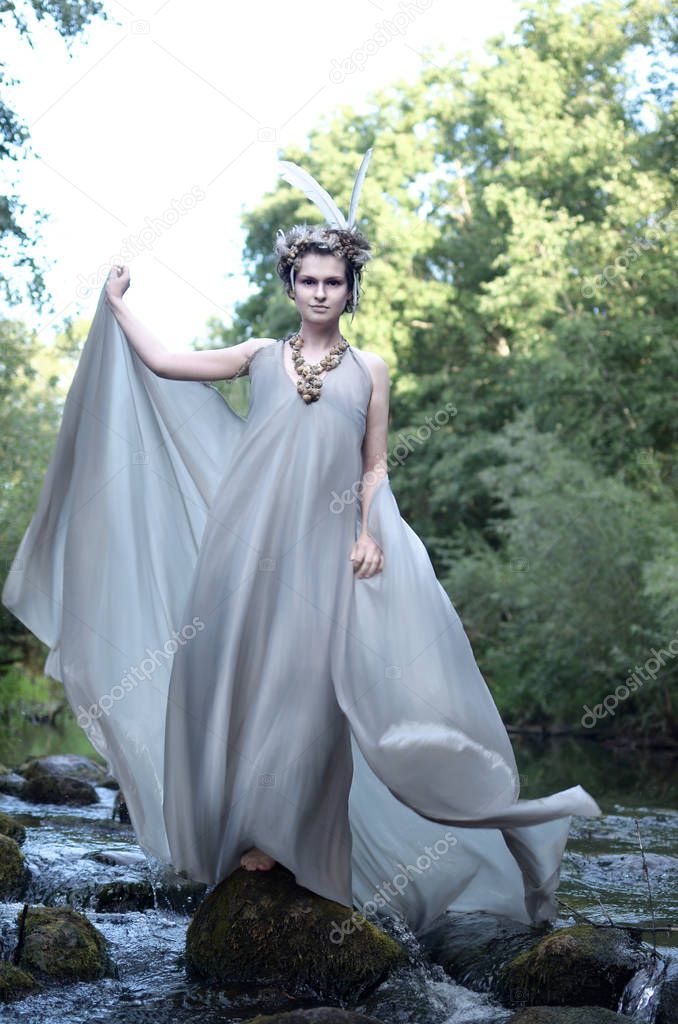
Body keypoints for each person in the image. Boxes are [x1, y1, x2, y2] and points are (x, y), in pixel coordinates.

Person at [2, 150, 602, 937]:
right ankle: (248, 838)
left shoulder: (370, 370)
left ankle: (304, 848)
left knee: (315, 700)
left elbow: (375, 463)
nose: (322, 292)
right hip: (241, 552)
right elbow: (165, 362)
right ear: (291, 286)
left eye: (334, 281)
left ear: (352, 288)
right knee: (234, 685)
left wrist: (366, 533)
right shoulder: (258, 358)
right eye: (309, 280)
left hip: (324, 559)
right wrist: (117, 308)